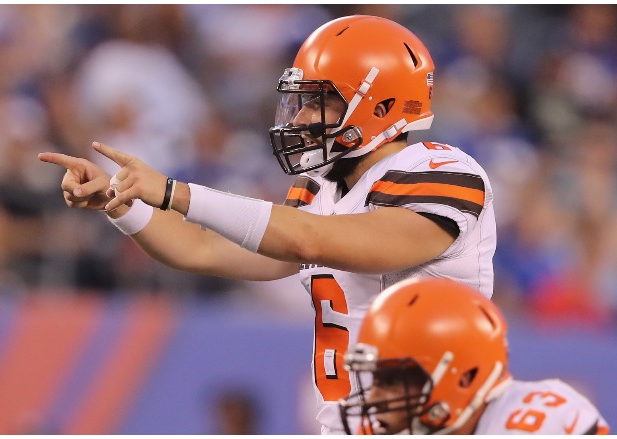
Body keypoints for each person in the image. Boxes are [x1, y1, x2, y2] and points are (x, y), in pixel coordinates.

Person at [38, 15, 496, 434]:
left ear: (381, 109)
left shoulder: (442, 172)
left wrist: (174, 191)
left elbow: (310, 241)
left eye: (321, 103)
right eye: (299, 102)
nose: (299, 119)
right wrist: (120, 203)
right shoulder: (321, 188)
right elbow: (200, 250)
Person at [338, 277, 610, 435]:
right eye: (375, 380)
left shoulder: (535, 422)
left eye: (391, 381)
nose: (372, 398)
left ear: (465, 378)